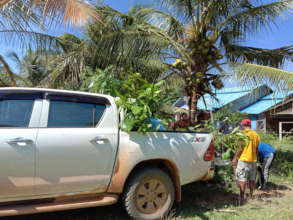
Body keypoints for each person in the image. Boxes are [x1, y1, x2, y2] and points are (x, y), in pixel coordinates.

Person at [232, 118, 260, 205]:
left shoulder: (242, 134)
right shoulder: (255, 134)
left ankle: (241, 198)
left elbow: (239, 148)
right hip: (253, 160)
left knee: (242, 178)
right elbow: (256, 148)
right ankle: (251, 195)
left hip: (243, 159)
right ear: (250, 125)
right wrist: (255, 157)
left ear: (243, 125)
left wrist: (235, 158)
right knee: (252, 179)